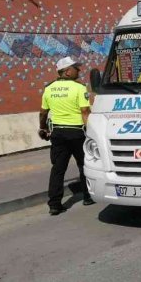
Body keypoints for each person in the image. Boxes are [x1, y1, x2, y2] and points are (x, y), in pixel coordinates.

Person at [39, 56, 94, 215]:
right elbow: (85, 112)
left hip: (57, 133)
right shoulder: (79, 88)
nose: (79, 70)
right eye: (76, 68)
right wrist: (91, 132)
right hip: (77, 133)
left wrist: (42, 129)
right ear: (68, 71)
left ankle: (54, 204)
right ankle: (88, 196)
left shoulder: (49, 89)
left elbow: (43, 112)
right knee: (84, 165)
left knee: (58, 169)